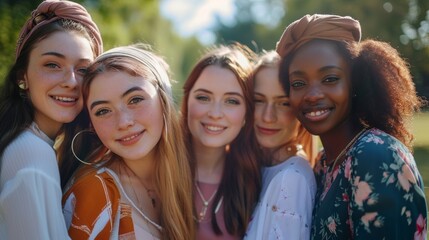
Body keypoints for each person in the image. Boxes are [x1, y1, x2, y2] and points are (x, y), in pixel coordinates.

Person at [276, 14, 428, 239]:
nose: (312, 95)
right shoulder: (323, 163)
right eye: (298, 83)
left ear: (354, 82)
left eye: (330, 79)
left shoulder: (375, 155)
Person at [62, 44, 195, 240]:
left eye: (135, 100)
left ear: (163, 98)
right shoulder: (95, 191)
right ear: (91, 124)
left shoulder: (189, 175)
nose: (123, 122)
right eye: (103, 111)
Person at [0, 0, 102, 239]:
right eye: (53, 65)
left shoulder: (24, 143)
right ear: (21, 76)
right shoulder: (32, 154)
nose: (71, 81)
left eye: (84, 69)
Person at [181, 42, 262, 239]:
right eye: (203, 98)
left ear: (246, 114)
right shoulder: (159, 168)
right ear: (187, 101)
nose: (215, 113)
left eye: (231, 101)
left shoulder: (256, 182)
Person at [244, 50, 317, 240]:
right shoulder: (260, 167)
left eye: (283, 103)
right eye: (259, 100)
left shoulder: (291, 180)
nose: (268, 116)